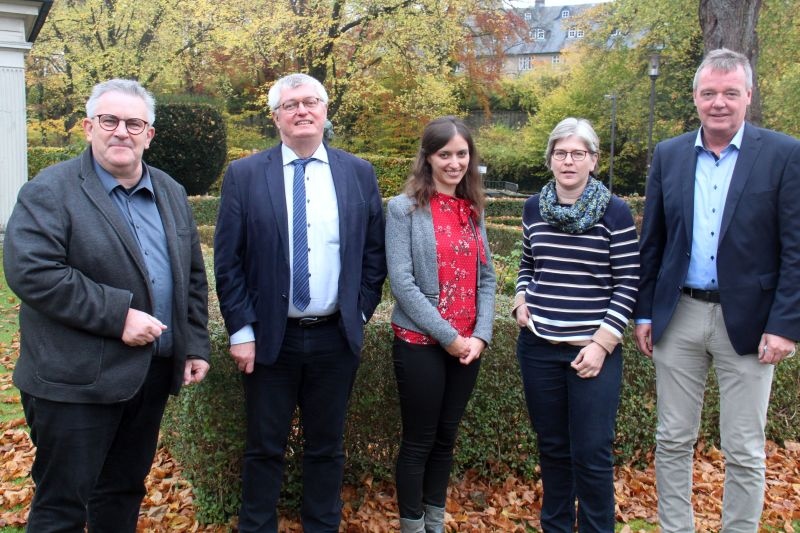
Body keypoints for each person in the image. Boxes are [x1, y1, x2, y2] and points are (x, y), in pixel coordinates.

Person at [3, 78, 211, 532]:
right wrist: (118, 316)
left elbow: (191, 277)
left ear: (149, 134)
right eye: (109, 120)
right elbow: (32, 271)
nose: (121, 131)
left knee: (122, 494)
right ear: (88, 127)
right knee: (62, 507)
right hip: (73, 382)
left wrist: (194, 343)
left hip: (148, 378)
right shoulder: (50, 190)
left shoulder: (170, 191)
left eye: (134, 123)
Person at [634, 48, 800, 533]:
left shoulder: (784, 154)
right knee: (672, 438)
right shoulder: (669, 155)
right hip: (680, 314)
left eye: (730, 92)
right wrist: (644, 313)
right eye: (709, 93)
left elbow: (795, 248)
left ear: (748, 95)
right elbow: (653, 242)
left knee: (744, 447)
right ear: (695, 97)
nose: (719, 102)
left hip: (749, 321)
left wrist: (785, 325)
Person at [213, 72, 387, 532]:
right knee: (263, 446)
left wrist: (359, 312)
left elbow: (374, 254)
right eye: (290, 105)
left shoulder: (359, 173)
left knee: (327, 447)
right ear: (276, 117)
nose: (302, 111)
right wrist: (241, 331)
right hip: (270, 338)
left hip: (335, 337)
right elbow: (228, 262)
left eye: (311, 102)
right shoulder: (245, 175)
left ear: (325, 111)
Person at [512, 117, 640, 532]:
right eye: (561, 153)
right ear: (550, 158)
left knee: (592, 453)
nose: (569, 161)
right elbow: (528, 263)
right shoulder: (533, 207)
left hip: (592, 352)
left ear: (594, 160)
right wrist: (520, 297)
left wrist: (602, 344)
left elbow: (628, 282)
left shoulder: (615, 212)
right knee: (552, 450)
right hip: (538, 347)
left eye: (578, 153)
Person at [385, 116, 496, 533]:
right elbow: (402, 282)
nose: (454, 162)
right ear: (428, 157)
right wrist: (449, 337)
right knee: (419, 441)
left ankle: (434, 522)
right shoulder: (403, 209)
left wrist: (480, 336)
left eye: (461, 154)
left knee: (446, 438)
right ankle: (413, 526)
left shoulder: (473, 209)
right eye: (444, 154)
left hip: (468, 346)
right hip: (421, 343)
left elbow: (487, 278)